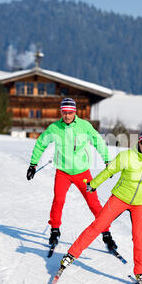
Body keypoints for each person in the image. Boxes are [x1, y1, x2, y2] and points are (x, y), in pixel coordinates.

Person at [58, 128, 142, 284]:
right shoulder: (127, 156)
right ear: (139, 143)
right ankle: (71, 254)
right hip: (120, 198)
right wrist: (93, 184)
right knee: (98, 225)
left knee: (139, 237)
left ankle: (141, 272)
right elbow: (109, 170)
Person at [26, 97, 117, 251]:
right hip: (63, 172)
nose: (67, 116)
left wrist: (108, 161)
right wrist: (33, 164)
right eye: (64, 112)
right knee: (58, 201)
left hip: (82, 173)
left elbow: (98, 142)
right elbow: (41, 144)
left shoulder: (84, 126)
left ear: (75, 112)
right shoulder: (55, 128)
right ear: (61, 112)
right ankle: (55, 230)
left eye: (70, 112)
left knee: (93, 203)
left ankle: (106, 232)